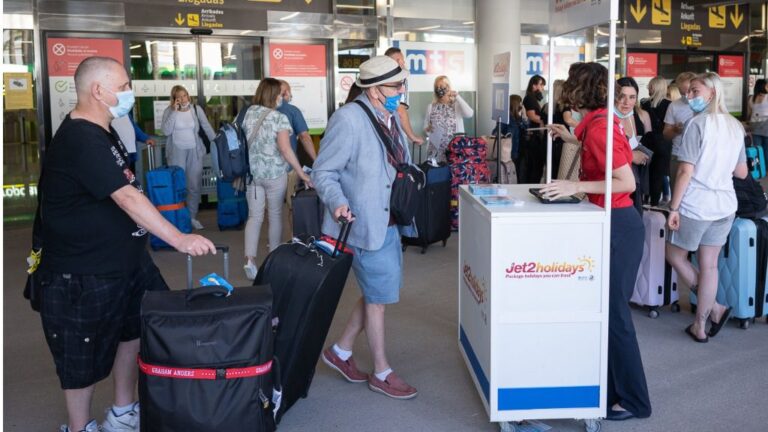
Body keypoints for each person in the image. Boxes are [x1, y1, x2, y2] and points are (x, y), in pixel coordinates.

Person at [35, 56, 216, 432]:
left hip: (128, 262)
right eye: (124, 86)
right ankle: (80, 426)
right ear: (98, 91)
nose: (130, 93)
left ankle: (122, 410)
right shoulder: (80, 139)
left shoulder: (106, 130)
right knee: (80, 359)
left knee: (132, 334)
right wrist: (179, 238)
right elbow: (127, 198)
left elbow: (128, 188)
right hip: (83, 272)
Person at [544, 62, 652, 421]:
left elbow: (626, 183)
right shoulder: (596, 123)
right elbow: (596, 147)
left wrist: (575, 186)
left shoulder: (601, 127)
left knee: (616, 316)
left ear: (579, 90)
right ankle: (612, 388)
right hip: (613, 223)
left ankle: (635, 401)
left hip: (619, 225)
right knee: (608, 312)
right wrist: (569, 135)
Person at [313, 55, 418, 400]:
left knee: (379, 290)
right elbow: (322, 172)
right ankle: (382, 371)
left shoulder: (389, 116)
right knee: (378, 299)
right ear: (373, 90)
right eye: (395, 86)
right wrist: (338, 202)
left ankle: (341, 351)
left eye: (402, 84)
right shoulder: (348, 120)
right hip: (361, 223)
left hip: (387, 220)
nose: (401, 91)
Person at [665, 72, 749, 343]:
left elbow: (684, 172)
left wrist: (673, 208)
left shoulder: (697, 125)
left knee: (676, 256)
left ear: (712, 94)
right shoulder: (735, 127)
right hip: (725, 205)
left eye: (695, 92)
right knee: (709, 265)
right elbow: (742, 173)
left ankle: (708, 315)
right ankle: (706, 316)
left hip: (695, 205)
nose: (689, 97)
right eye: (688, 92)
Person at [242, 78, 312, 280]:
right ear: (273, 95)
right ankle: (272, 260)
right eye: (280, 94)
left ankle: (250, 261)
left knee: (254, 217)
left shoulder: (249, 114)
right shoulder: (278, 118)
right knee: (275, 216)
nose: (283, 97)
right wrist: (301, 172)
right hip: (275, 175)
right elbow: (285, 149)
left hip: (253, 176)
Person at [160, 85, 216, 230]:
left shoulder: (196, 109)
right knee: (178, 185)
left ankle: (192, 216)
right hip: (177, 151)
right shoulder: (169, 111)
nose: (183, 99)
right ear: (174, 99)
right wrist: (174, 111)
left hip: (194, 150)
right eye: (179, 97)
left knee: (194, 185)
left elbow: (206, 126)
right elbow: (166, 131)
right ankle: (179, 216)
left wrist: (216, 142)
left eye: (185, 95)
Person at [277, 79, 317, 209]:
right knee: (292, 207)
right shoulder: (292, 110)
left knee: (270, 210)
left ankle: (272, 229)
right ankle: (291, 230)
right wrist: (316, 160)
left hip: (265, 171)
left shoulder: (262, 110)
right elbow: (304, 137)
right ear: (286, 93)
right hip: (289, 167)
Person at [615, 77, 654, 212]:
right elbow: (603, 150)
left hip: (634, 182)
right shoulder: (607, 118)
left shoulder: (635, 115)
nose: (627, 102)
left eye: (632, 97)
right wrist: (631, 156)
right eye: (622, 97)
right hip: (615, 187)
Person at [424, 75, 474, 163]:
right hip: (436, 152)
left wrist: (457, 96)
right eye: (437, 87)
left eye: (442, 86)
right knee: (437, 174)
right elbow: (426, 127)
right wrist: (428, 129)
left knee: (454, 174)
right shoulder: (431, 107)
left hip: (455, 151)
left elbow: (470, 114)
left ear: (448, 87)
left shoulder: (456, 105)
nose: (440, 89)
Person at [642, 76, 673, 205]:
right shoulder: (669, 105)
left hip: (648, 142)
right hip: (663, 144)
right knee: (658, 175)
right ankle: (655, 202)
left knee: (646, 172)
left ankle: (645, 198)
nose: (648, 88)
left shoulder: (644, 103)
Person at [663, 72, 697, 191]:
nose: (687, 95)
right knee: (677, 190)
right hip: (678, 155)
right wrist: (676, 130)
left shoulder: (705, 105)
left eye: (690, 91)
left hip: (699, 156)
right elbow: (666, 134)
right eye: (683, 93)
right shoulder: (674, 106)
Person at [385, 47, 424, 146]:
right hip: (387, 134)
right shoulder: (400, 80)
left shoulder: (402, 80)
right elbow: (400, 110)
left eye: (402, 61)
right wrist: (412, 136)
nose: (402, 64)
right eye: (398, 61)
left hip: (389, 132)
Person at [522, 74, 547, 183]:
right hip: (533, 137)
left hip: (535, 136)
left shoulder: (532, 98)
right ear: (534, 85)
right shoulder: (530, 98)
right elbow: (531, 116)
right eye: (541, 85)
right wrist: (544, 121)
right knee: (535, 166)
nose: (542, 88)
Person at [748, 79, 768, 157]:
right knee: (766, 150)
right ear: (763, 86)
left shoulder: (751, 98)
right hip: (766, 126)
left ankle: (759, 168)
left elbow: (749, 114)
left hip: (754, 127)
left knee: (757, 150)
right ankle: (766, 169)